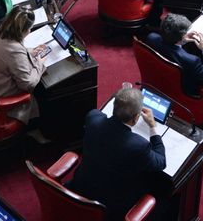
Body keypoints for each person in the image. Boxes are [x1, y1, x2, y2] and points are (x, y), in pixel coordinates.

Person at [67, 87, 166, 220]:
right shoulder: (139, 145)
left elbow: (100, 116)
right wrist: (153, 126)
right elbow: (161, 161)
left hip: (81, 185)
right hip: (110, 206)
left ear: (114, 106)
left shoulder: (92, 117)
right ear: (136, 118)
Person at [146, 14, 203, 110]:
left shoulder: (151, 38)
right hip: (186, 92)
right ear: (181, 35)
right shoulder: (191, 60)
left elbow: (169, 47)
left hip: (159, 81)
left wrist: (182, 40)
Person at [0, 6, 47, 123]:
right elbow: (28, 84)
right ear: (22, 30)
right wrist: (40, 64)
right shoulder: (15, 51)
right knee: (42, 91)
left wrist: (29, 51)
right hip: (1, 97)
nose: (30, 31)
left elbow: (6, 53)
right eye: (29, 29)